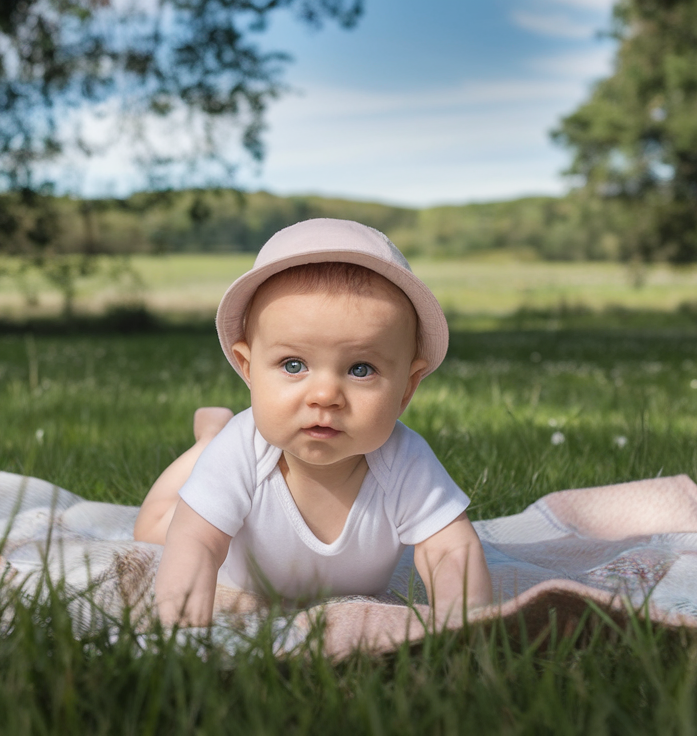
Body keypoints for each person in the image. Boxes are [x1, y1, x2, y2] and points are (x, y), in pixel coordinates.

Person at [133, 218, 492, 627]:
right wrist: (183, 631)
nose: (324, 396)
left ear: (407, 388)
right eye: (293, 364)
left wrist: (467, 626)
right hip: (239, 554)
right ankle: (205, 442)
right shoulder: (243, 450)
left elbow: (448, 549)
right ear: (248, 368)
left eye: (360, 369)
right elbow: (196, 540)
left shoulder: (405, 460)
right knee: (153, 528)